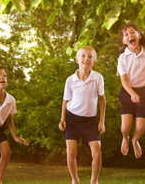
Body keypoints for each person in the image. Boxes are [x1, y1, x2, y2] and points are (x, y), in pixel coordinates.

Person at [59, 46, 106, 184]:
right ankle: (75, 180)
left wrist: (101, 121)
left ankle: (94, 181)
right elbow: (65, 100)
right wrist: (62, 118)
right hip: (72, 119)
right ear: (77, 59)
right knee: (71, 153)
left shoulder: (98, 78)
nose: (87, 58)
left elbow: (102, 100)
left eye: (90, 57)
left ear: (94, 61)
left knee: (97, 153)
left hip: (91, 121)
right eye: (83, 56)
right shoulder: (70, 80)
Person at [117, 22, 145, 158]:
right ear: (124, 41)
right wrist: (132, 94)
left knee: (140, 127)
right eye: (126, 34)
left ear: (138, 35)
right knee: (125, 127)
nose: (130, 35)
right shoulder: (122, 58)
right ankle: (126, 138)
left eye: (132, 32)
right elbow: (124, 80)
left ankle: (135, 140)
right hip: (128, 92)